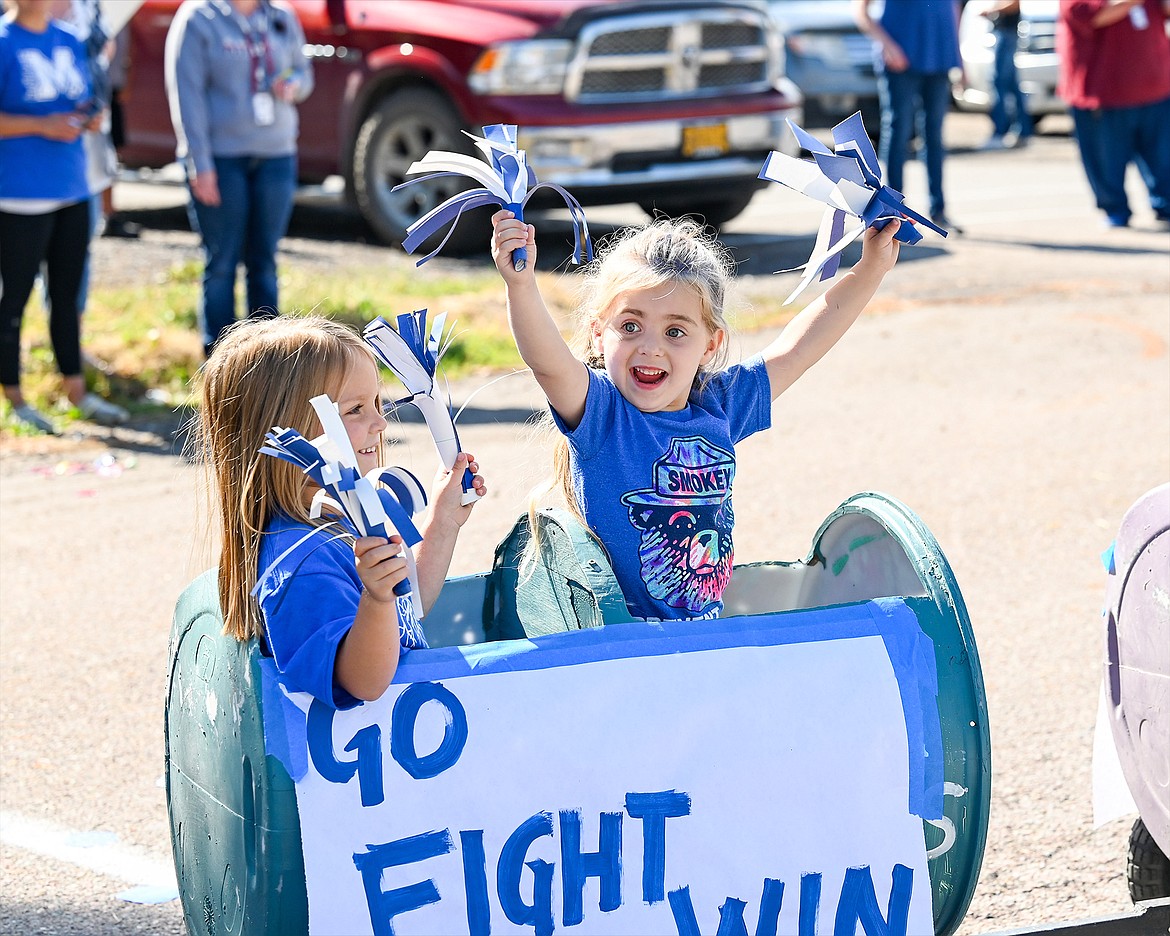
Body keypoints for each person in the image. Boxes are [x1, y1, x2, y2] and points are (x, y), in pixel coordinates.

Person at [491, 212, 902, 622]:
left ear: (710, 344)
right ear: (600, 333)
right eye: (630, 326)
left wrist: (871, 268)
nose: (650, 347)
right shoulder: (602, 414)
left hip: (704, 634)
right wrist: (521, 285)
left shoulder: (717, 405)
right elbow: (549, 364)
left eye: (675, 331)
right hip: (620, 648)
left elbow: (798, 349)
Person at [193, 315, 487, 706]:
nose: (380, 423)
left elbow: (406, 610)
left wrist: (443, 520)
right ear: (289, 428)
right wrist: (377, 598)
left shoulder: (334, 522)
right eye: (355, 410)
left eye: (377, 403)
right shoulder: (302, 559)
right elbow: (363, 681)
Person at [0, 0, 127, 433]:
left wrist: (90, 118)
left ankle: (77, 392)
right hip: (18, 195)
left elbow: (86, 96)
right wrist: (41, 125)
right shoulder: (3, 41)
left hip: (73, 188)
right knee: (12, 301)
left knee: (67, 296)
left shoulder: (70, 39)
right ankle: (14, 398)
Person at [164, 0, 313, 356]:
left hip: (276, 155)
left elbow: (304, 75)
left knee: (264, 262)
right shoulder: (198, 18)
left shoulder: (280, 15)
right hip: (221, 159)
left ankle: (269, 364)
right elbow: (187, 96)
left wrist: (291, 83)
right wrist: (199, 163)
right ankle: (220, 363)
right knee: (222, 263)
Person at [1057, 0, 1170, 229]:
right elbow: (1093, 14)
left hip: (1155, 89)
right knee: (1106, 162)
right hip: (1103, 96)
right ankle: (1116, 210)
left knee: (1163, 159)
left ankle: (1165, 206)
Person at [854, 0, 963, 233]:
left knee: (934, 134)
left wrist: (958, 57)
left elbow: (953, 8)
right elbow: (861, 12)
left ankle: (939, 210)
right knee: (898, 129)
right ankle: (894, 212)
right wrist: (888, 45)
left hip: (939, 56)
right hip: (900, 59)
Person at [979, 0, 1034, 150]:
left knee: (1000, 83)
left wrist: (992, 10)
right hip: (1004, 32)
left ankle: (1000, 132)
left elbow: (1014, 3)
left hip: (1007, 33)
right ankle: (1023, 131)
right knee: (1011, 84)